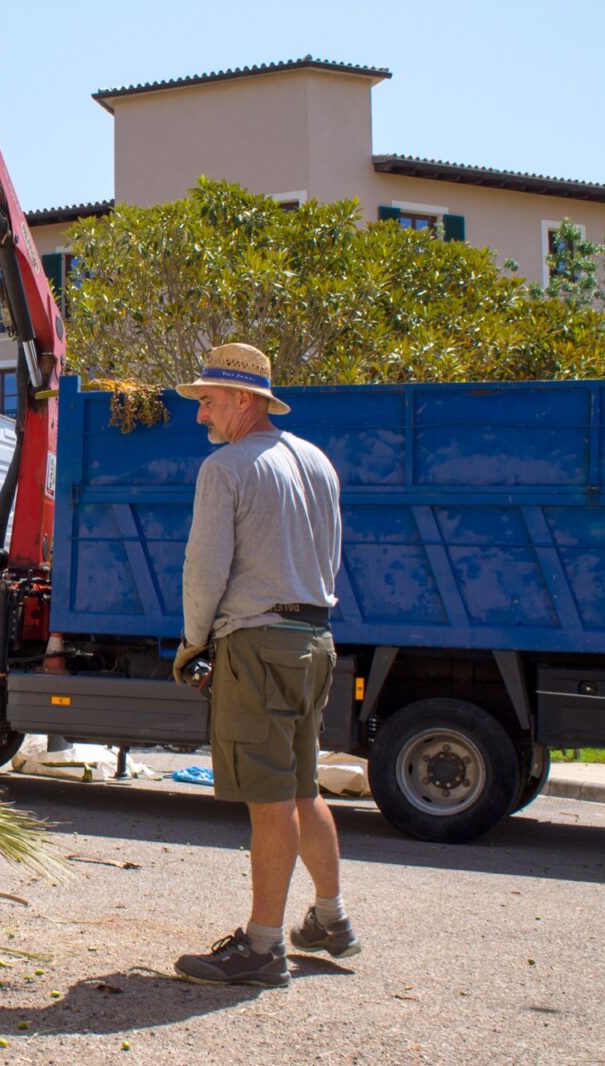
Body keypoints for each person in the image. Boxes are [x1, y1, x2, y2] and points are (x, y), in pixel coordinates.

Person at [168, 342, 358, 989]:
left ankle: (262, 948)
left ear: (242, 399)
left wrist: (193, 643)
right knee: (303, 788)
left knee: (270, 800)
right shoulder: (317, 462)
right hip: (315, 639)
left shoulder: (226, 467)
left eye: (208, 401)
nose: (201, 415)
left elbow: (204, 570)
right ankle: (330, 918)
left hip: (259, 644)